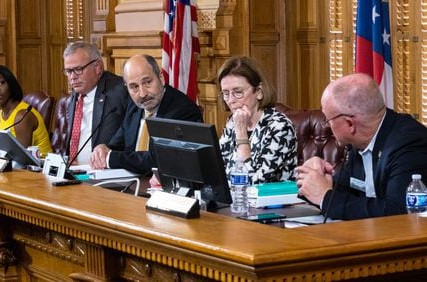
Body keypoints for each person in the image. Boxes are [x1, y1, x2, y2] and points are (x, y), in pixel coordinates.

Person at [296, 73, 427, 220]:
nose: (327, 126)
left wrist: (325, 198)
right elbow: (344, 191)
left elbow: (398, 213)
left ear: (350, 124)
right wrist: (314, 177)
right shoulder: (357, 142)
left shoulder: (409, 143)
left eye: (328, 120)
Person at [90, 54, 203, 174]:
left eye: (147, 82)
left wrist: (110, 158)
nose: (142, 93)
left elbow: (159, 160)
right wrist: (103, 149)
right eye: (134, 87)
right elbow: (116, 145)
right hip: (133, 184)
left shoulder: (182, 110)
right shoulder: (134, 107)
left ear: (161, 78)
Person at [217, 56, 297, 184]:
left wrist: (241, 133)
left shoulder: (280, 127)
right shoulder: (233, 123)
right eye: (226, 93)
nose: (231, 100)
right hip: (236, 200)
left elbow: (252, 182)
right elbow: (218, 169)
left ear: (259, 92)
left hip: (272, 202)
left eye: (238, 92)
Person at [63, 41, 128, 164]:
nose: (72, 77)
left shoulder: (119, 91)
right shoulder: (75, 95)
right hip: (74, 171)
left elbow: (128, 135)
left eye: (78, 69)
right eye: (68, 71)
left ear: (97, 67)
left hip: (104, 172)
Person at [0, 65, 52, 155]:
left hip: (40, 167)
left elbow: (21, 158)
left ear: (11, 84)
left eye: (1, 83)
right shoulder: (1, 113)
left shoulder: (21, 116)